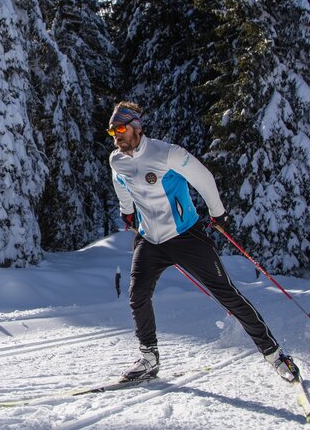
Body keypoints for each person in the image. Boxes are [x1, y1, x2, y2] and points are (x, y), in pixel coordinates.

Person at [107, 101, 298, 383]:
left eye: (121, 129)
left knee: (226, 294)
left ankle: (275, 354)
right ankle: (149, 359)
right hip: (150, 239)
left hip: (186, 236)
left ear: (136, 127)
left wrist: (217, 212)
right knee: (138, 295)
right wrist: (127, 210)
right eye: (112, 132)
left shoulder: (167, 153)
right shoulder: (117, 159)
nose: (116, 136)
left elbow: (204, 178)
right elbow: (120, 183)